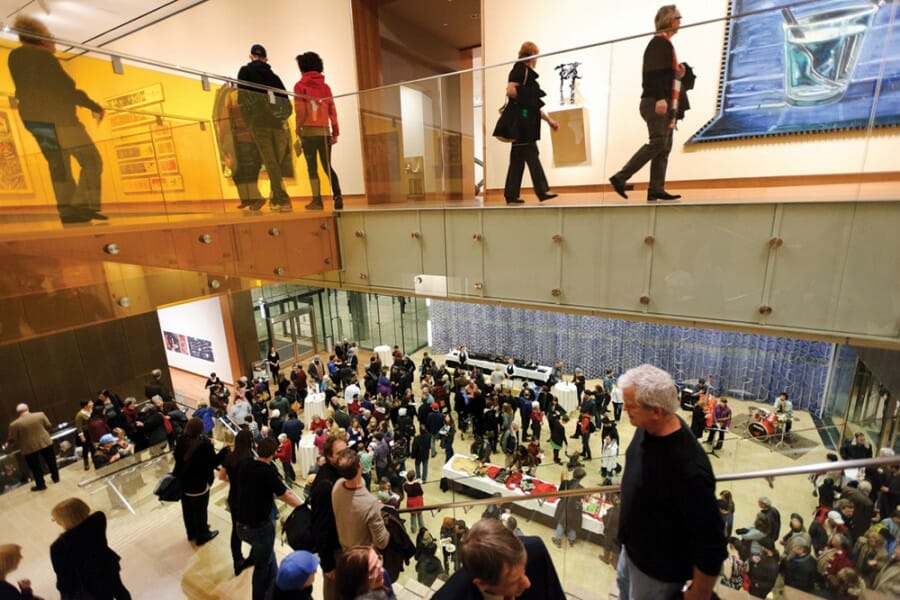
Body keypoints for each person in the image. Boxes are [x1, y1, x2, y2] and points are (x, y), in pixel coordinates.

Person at [616, 364, 726, 600]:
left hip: (657, 574)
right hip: (631, 552)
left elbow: (712, 544)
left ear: (656, 411)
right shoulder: (646, 428)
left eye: (631, 405)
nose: (624, 409)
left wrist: (698, 594)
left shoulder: (690, 469)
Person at [8, 15, 105, 224]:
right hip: (61, 120)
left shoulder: (15, 57)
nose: (54, 42)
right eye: (50, 36)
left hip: (35, 121)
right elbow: (65, 89)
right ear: (41, 39)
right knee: (92, 161)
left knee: (59, 166)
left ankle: (69, 212)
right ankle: (82, 206)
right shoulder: (42, 58)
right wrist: (93, 106)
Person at [609, 5, 685, 202]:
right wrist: (660, 98)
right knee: (659, 142)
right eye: (678, 18)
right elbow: (652, 74)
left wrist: (679, 72)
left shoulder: (664, 44)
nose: (680, 22)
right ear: (670, 21)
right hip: (655, 101)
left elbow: (662, 74)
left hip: (661, 101)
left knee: (664, 145)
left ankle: (656, 188)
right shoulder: (659, 43)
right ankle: (620, 177)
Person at [230, 436, 303, 600]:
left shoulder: (245, 464)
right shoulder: (268, 473)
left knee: (268, 556)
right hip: (259, 528)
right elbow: (286, 495)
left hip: (240, 525)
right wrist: (304, 507)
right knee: (262, 566)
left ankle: (274, 588)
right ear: (274, 453)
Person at [433, 517, 565, 599]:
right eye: (514, 581)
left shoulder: (535, 551)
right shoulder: (450, 596)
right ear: (482, 584)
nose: (527, 583)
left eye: (524, 570)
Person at [236, 44, 293, 212]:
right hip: (276, 124)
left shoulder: (245, 71)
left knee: (270, 161)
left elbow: (242, 98)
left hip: (259, 123)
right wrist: (280, 119)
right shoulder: (274, 77)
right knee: (275, 161)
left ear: (251, 56)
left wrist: (249, 121)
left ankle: (282, 200)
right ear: (266, 59)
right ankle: (277, 197)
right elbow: (286, 103)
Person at [502, 41, 560, 205]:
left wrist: (549, 120)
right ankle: (542, 190)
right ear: (532, 55)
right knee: (531, 154)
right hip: (524, 123)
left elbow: (530, 104)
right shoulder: (520, 69)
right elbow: (511, 91)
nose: (537, 60)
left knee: (517, 159)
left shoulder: (523, 70)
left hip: (524, 120)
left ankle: (511, 195)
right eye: (536, 56)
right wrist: (527, 96)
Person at [49, 497, 131, 599]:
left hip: (86, 582)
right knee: (119, 590)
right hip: (106, 566)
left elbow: (64, 579)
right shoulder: (98, 522)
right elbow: (96, 514)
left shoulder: (58, 547)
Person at [293, 51, 343, 211]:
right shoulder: (325, 87)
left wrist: (297, 128)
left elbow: (300, 111)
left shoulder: (300, 86)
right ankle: (338, 196)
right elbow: (332, 111)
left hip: (308, 133)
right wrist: (335, 132)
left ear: (302, 67)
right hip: (324, 133)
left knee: (312, 168)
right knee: (327, 166)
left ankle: (317, 200)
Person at [309, 433, 349, 600]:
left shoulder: (341, 472)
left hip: (343, 543)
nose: (345, 456)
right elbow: (321, 527)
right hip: (333, 550)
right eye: (340, 453)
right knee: (333, 592)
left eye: (346, 451)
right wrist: (327, 565)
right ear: (329, 456)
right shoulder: (325, 485)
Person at [331, 449, 390, 552]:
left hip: (344, 549)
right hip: (362, 557)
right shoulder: (370, 503)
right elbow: (382, 542)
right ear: (360, 465)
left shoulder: (337, 486)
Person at [174, 417, 219, 545]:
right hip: (199, 484)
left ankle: (191, 533)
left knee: (187, 510)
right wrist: (223, 452)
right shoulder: (204, 444)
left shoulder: (181, 440)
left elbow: (177, 457)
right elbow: (213, 462)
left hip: (184, 482)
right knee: (200, 511)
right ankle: (202, 535)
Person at [217, 429, 255, 576]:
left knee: (236, 529)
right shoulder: (249, 458)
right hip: (247, 498)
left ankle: (237, 561)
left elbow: (221, 477)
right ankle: (253, 555)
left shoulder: (229, 457)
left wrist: (233, 481)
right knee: (253, 526)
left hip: (234, 496)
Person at [3, 403, 59, 491]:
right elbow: (48, 426)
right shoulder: (40, 415)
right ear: (27, 408)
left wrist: (7, 445)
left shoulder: (14, 424)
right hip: (45, 442)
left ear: (18, 412)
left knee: (35, 467)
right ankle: (56, 478)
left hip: (29, 447)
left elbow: (12, 439)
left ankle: (41, 484)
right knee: (51, 461)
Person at [552, 467, 586, 548]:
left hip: (564, 505)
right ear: (582, 478)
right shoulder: (581, 488)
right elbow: (582, 498)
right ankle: (571, 539)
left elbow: (559, 494)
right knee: (572, 524)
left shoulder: (565, 483)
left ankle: (558, 539)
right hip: (575, 507)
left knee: (561, 522)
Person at [403, 470, 425, 534]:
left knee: (413, 515)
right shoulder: (417, 485)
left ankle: (413, 529)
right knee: (420, 514)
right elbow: (421, 493)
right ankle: (422, 527)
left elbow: (406, 484)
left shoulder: (405, 486)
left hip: (411, 501)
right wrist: (417, 482)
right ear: (414, 477)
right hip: (418, 500)